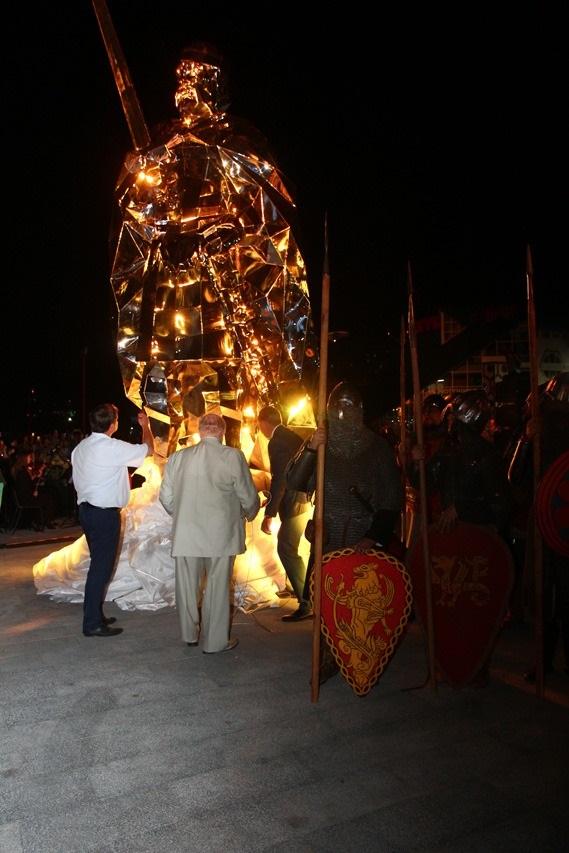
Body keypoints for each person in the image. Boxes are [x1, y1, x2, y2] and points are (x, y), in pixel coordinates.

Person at [110, 41, 316, 447]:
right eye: (181, 79)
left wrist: (225, 226)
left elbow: (272, 200)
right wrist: (145, 183)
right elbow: (135, 202)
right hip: (176, 282)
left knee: (238, 367)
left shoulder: (239, 137)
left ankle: (244, 452)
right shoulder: (163, 139)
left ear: (216, 86)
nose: (185, 88)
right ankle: (171, 455)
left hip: (228, 275)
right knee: (171, 364)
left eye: (196, 78)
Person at [286, 382, 403, 620]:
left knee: (360, 605)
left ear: (359, 410)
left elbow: (391, 497)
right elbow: (295, 481)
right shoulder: (320, 442)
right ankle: (328, 652)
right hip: (327, 534)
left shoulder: (378, 448)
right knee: (327, 602)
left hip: (362, 535)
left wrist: (373, 535)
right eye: (338, 406)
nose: (343, 411)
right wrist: (311, 448)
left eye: (349, 406)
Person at [159, 412, 260, 653]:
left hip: (186, 533)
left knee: (186, 587)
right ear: (221, 432)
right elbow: (247, 495)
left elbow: (165, 497)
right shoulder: (233, 456)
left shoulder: (178, 458)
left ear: (200, 431)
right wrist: (250, 512)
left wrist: (183, 514)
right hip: (221, 534)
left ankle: (189, 634)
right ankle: (215, 643)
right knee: (217, 587)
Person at [71, 404, 153, 637]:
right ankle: (92, 624)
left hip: (86, 511)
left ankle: (95, 615)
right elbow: (148, 449)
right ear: (113, 424)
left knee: (98, 564)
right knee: (101, 568)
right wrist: (145, 426)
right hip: (103, 514)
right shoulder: (111, 447)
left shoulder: (81, 447)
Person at [257, 406, 312, 620]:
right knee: (289, 546)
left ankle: (306, 600)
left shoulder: (277, 441)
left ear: (263, 422)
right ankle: (294, 585)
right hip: (300, 500)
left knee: (287, 548)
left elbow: (280, 479)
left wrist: (269, 513)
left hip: (294, 502)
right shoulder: (289, 436)